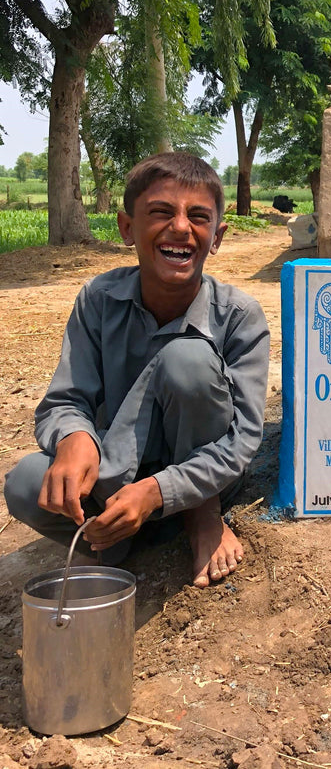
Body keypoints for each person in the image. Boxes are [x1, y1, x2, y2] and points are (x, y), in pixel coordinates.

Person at [3, 152, 270, 588]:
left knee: (188, 360)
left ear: (217, 236)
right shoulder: (98, 299)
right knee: (26, 483)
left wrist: (158, 491)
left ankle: (200, 519)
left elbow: (242, 439)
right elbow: (65, 399)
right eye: (161, 212)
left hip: (202, 481)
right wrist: (74, 439)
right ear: (127, 228)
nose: (181, 227)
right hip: (114, 474)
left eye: (198, 217)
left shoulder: (239, 316)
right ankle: (114, 534)